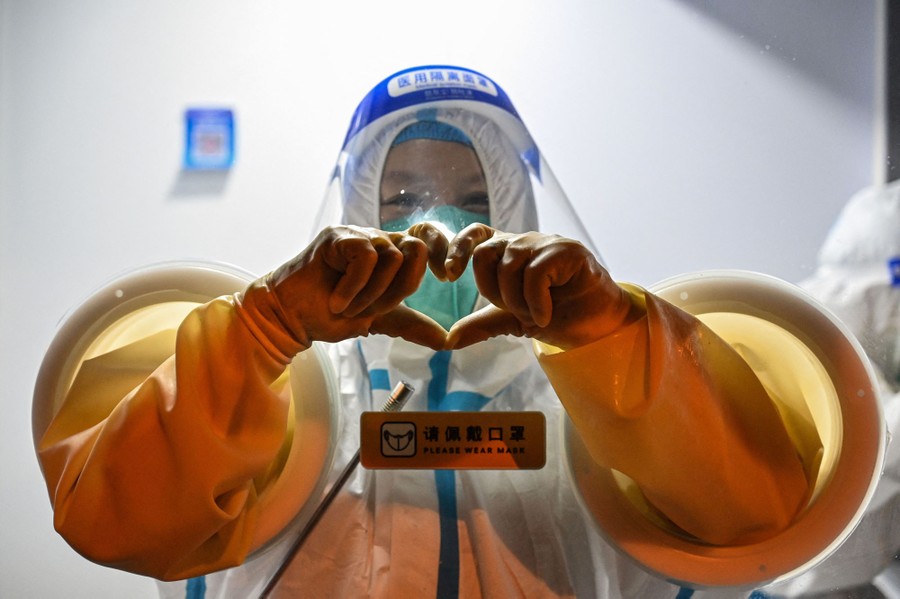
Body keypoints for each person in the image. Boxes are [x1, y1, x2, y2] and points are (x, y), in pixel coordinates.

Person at [37, 65, 831, 598]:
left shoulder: (607, 397)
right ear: (356, 214)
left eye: (476, 199)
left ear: (519, 211)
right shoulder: (288, 397)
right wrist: (266, 327)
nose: (441, 223)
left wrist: (617, 336)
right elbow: (113, 516)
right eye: (402, 200)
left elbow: (752, 508)